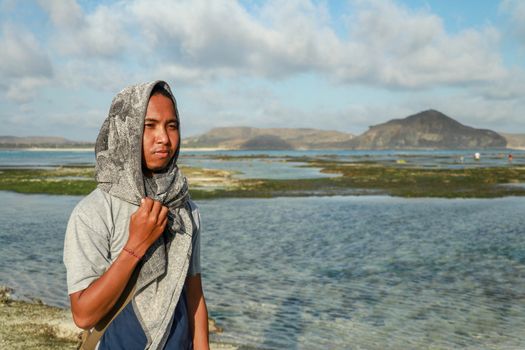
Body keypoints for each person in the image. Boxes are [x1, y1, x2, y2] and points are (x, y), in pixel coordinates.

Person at [64, 81, 209, 349]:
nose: (164, 138)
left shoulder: (185, 209)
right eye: (149, 126)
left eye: (172, 125)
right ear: (124, 131)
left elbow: (194, 295)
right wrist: (137, 244)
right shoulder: (93, 212)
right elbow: (83, 314)